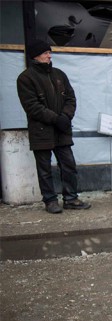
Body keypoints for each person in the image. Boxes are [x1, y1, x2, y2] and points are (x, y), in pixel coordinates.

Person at [16, 39, 91, 214]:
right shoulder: (25, 78)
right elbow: (32, 107)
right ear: (35, 56)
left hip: (62, 129)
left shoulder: (59, 75)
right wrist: (56, 118)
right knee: (44, 169)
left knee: (68, 165)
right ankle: (50, 201)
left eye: (49, 52)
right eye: (45, 53)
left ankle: (71, 198)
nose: (49, 55)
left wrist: (65, 116)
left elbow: (71, 98)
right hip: (41, 132)